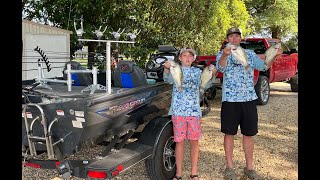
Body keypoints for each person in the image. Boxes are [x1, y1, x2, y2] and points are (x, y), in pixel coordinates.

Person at [215, 27, 283, 180]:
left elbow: (264, 66)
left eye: (236, 36)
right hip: (230, 100)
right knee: (229, 134)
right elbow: (220, 67)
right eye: (231, 36)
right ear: (227, 40)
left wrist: (274, 56)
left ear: (240, 38)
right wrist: (225, 55)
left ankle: (250, 168)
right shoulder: (222, 53)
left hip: (248, 100)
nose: (234, 39)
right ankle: (229, 167)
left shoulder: (250, 54)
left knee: (249, 134)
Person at [163, 48, 217, 180]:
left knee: (194, 141)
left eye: (190, 56)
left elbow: (207, 84)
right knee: (179, 142)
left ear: (194, 59)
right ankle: (179, 173)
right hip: (178, 111)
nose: (187, 58)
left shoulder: (198, 72)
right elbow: (167, 80)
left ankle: (194, 173)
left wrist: (213, 74)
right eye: (184, 55)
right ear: (180, 58)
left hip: (194, 112)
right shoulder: (176, 68)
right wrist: (167, 68)